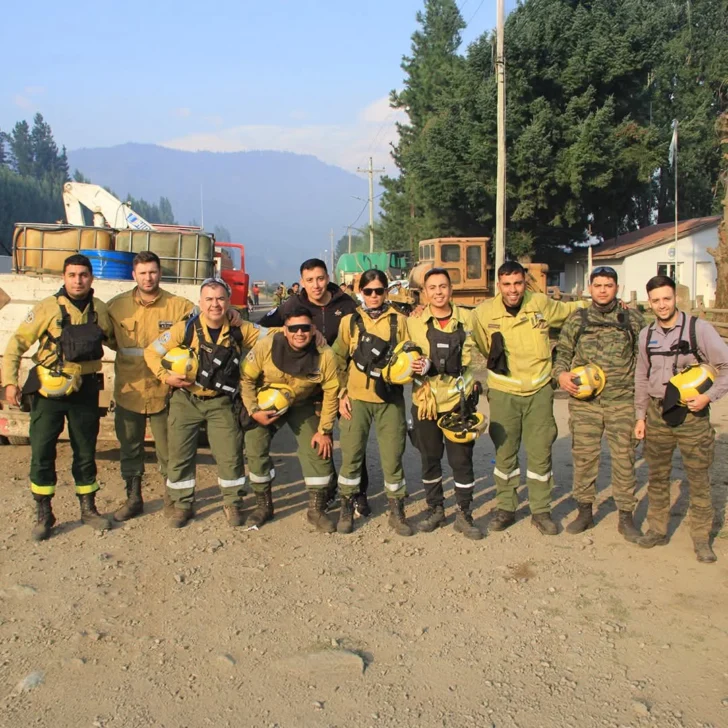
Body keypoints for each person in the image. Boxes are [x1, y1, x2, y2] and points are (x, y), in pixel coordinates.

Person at [2, 254, 114, 540]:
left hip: (86, 390)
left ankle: (88, 509)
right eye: (72, 275)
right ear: (64, 278)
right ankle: (44, 513)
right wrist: (10, 383)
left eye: (83, 275)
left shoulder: (101, 309)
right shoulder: (47, 308)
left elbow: (117, 341)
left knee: (85, 451)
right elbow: (16, 344)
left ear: (91, 278)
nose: (78, 280)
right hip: (48, 391)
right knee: (42, 450)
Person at [471, 261, 586, 535]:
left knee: (540, 453)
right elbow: (479, 343)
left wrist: (606, 304)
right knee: (505, 454)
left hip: (539, 392)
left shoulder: (540, 304)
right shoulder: (483, 313)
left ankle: (541, 511)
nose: (513, 290)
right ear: (498, 285)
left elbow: (571, 311)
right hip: (504, 392)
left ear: (525, 283)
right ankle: (506, 508)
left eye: (518, 283)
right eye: (507, 284)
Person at [144, 278, 265, 529]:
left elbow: (273, 337)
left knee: (230, 454)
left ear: (228, 302)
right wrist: (166, 377)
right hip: (185, 400)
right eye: (209, 299)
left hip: (221, 402)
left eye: (220, 298)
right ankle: (182, 504)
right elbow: (151, 352)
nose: (215, 304)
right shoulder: (184, 329)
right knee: (180, 454)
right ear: (200, 303)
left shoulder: (239, 329)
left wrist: (309, 333)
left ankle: (232, 503)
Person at [260, 258, 369, 513]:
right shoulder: (293, 305)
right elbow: (261, 327)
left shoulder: (346, 304)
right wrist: (300, 332)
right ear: (302, 282)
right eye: (309, 280)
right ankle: (328, 490)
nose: (316, 285)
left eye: (320, 278)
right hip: (310, 387)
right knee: (321, 438)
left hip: (342, 384)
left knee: (353, 439)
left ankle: (358, 492)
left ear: (328, 278)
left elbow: (368, 330)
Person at [634, 275, 728, 563]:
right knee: (657, 476)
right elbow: (641, 377)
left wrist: (708, 397)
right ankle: (657, 529)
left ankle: (701, 539)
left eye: (667, 298)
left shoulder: (699, 329)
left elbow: (726, 366)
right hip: (657, 413)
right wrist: (640, 417)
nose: (662, 305)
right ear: (649, 303)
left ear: (676, 298)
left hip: (692, 415)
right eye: (656, 300)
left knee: (698, 479)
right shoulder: (646, 335)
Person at [552, 266, 644, 541]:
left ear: (617, 288)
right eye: (598, 285)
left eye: (608, 285)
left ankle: (626, 516)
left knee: (624, 459)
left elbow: (645, 358)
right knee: (584, 458)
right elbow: (562, 353)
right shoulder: (578, 319)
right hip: (586, 404)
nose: (603, 290)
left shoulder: (632, 319)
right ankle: (585, 512)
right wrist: (561, 375)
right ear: (589, 288)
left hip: (622, 401)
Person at [106, 251, 194, 521]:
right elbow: (110, 340)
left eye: (153, 272)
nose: (148, 278)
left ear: (160, 273)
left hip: (165, 392)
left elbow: (203, 328)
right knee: (130, 449)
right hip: (129, 391)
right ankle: (133, 499)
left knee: (170, 451)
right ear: (134, 275)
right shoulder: (116, 307)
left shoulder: (179, 306)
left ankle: (173, 499)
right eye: (143, 273)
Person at [241, 307, 339, 532]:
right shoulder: (266, 346)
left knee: (319, 449)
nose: (299, 333)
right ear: (284, 330)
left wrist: (324, 430)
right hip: (267, 404)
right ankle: (263, 505)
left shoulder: (325, 355)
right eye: (293, 328)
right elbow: (246, 379)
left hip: (303, 404)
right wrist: (254, 410)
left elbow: (331, 392)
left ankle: (316, 509)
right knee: (255, 444)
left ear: (313, 329)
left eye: (305, 328)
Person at [332, 270, 411, 536]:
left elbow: (411, 355)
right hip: (356, 400)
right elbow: (337, 359)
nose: (374, 296)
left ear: (387, 292)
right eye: (368, 291)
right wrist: (341, 393)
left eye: (379, 291)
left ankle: (397, 510)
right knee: (351, 455)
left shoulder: (400, 321)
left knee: (393, 456)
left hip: (390, 399)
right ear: (360, 292)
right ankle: (346, 506)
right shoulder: (350, 322)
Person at [406, 268, 483, 540]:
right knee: (429, 458)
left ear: (451, 289)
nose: (438, 292)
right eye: (432, 287)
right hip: (426, 402)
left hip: (458, 403)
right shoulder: (413, 322)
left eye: (443, 286)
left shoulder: (469, 319)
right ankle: (436, 508)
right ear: (424, 292)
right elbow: (401, 357)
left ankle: (464, 512)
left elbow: (488, 340)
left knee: (461, 460)